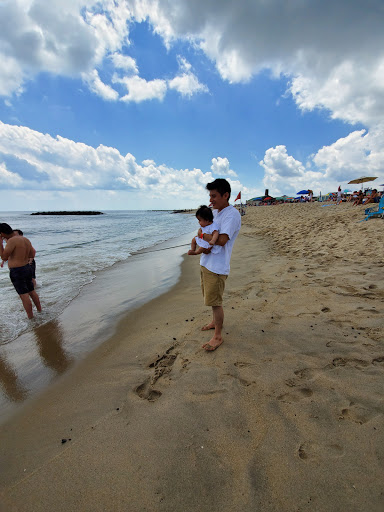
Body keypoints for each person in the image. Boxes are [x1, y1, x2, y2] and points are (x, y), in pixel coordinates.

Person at [197, 179, 241, 351]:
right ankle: (215, 323)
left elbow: (222, 240)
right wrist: (203, 237)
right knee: (210, 297)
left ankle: (217, 336)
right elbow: (202, 229)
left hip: (217, 266)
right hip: (206, 263)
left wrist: (204, 236)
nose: (211, 200)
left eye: (214, 196)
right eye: (210, 196)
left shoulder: (232, 214)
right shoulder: (214, 213)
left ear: (226, 195)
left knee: (216, 302)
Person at [0, 223, 42, 319]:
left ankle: (31, 318)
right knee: (32, 291)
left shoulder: (11, 241)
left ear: (2, 233)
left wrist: (0, 244)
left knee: (24, 295)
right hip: (27, 268)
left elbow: (3, 257)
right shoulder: (25, 239)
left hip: (17, 271)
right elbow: (31, 253)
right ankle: (40, 310)